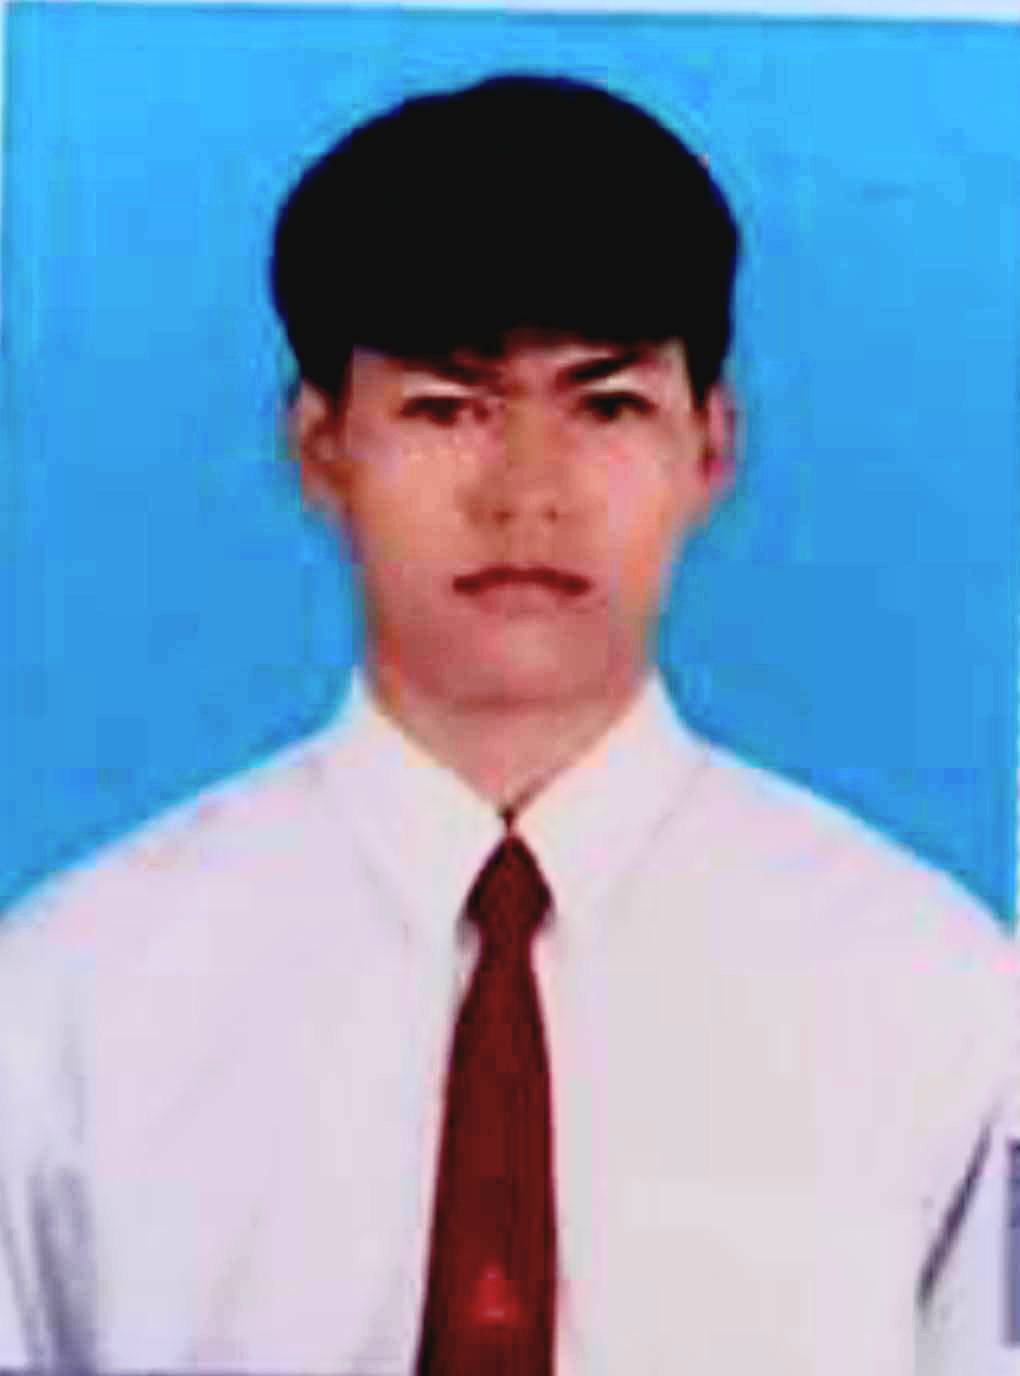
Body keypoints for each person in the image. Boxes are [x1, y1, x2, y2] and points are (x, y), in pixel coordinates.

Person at [0, 73, 1016, 1376]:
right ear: (321, 448)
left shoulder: (939, 1000)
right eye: (447, 408)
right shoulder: (65, 1007)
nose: (528, 494)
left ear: (712, 447)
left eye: (606, 405)